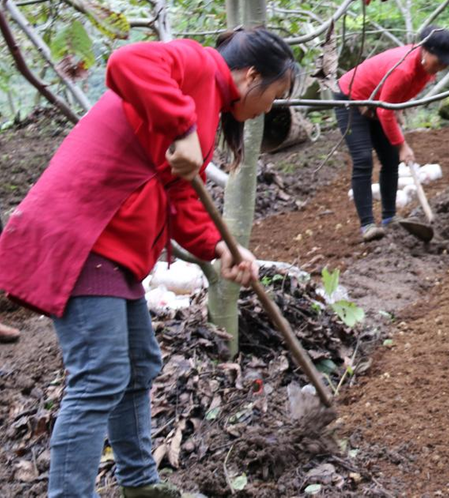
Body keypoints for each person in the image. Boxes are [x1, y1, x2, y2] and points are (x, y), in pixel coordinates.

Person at [0, 28, 297, 497]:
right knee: (100, 375)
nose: (268, 109)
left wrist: (221, 247)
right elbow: (127, 61)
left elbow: (180, 197)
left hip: (111, 246)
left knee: (139, 364)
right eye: (274, 95)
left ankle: (139, 483)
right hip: (85, 235)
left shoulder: (207, 106)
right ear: (251, 75)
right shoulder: (198, 66)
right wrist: (182, 129)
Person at [336, 26, 449, 241]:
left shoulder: (426, 69)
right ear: (425, 50)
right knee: (363, 158)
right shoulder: (403, 68)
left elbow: (395, 97)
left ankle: (389, 218)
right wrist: (402, 145)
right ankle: (367, 225)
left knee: (390, 159)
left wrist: (398, 109)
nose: (442, 67)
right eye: (440, 61)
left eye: (446, 63)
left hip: (376, 102)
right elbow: (385, 111)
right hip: (351, 98)